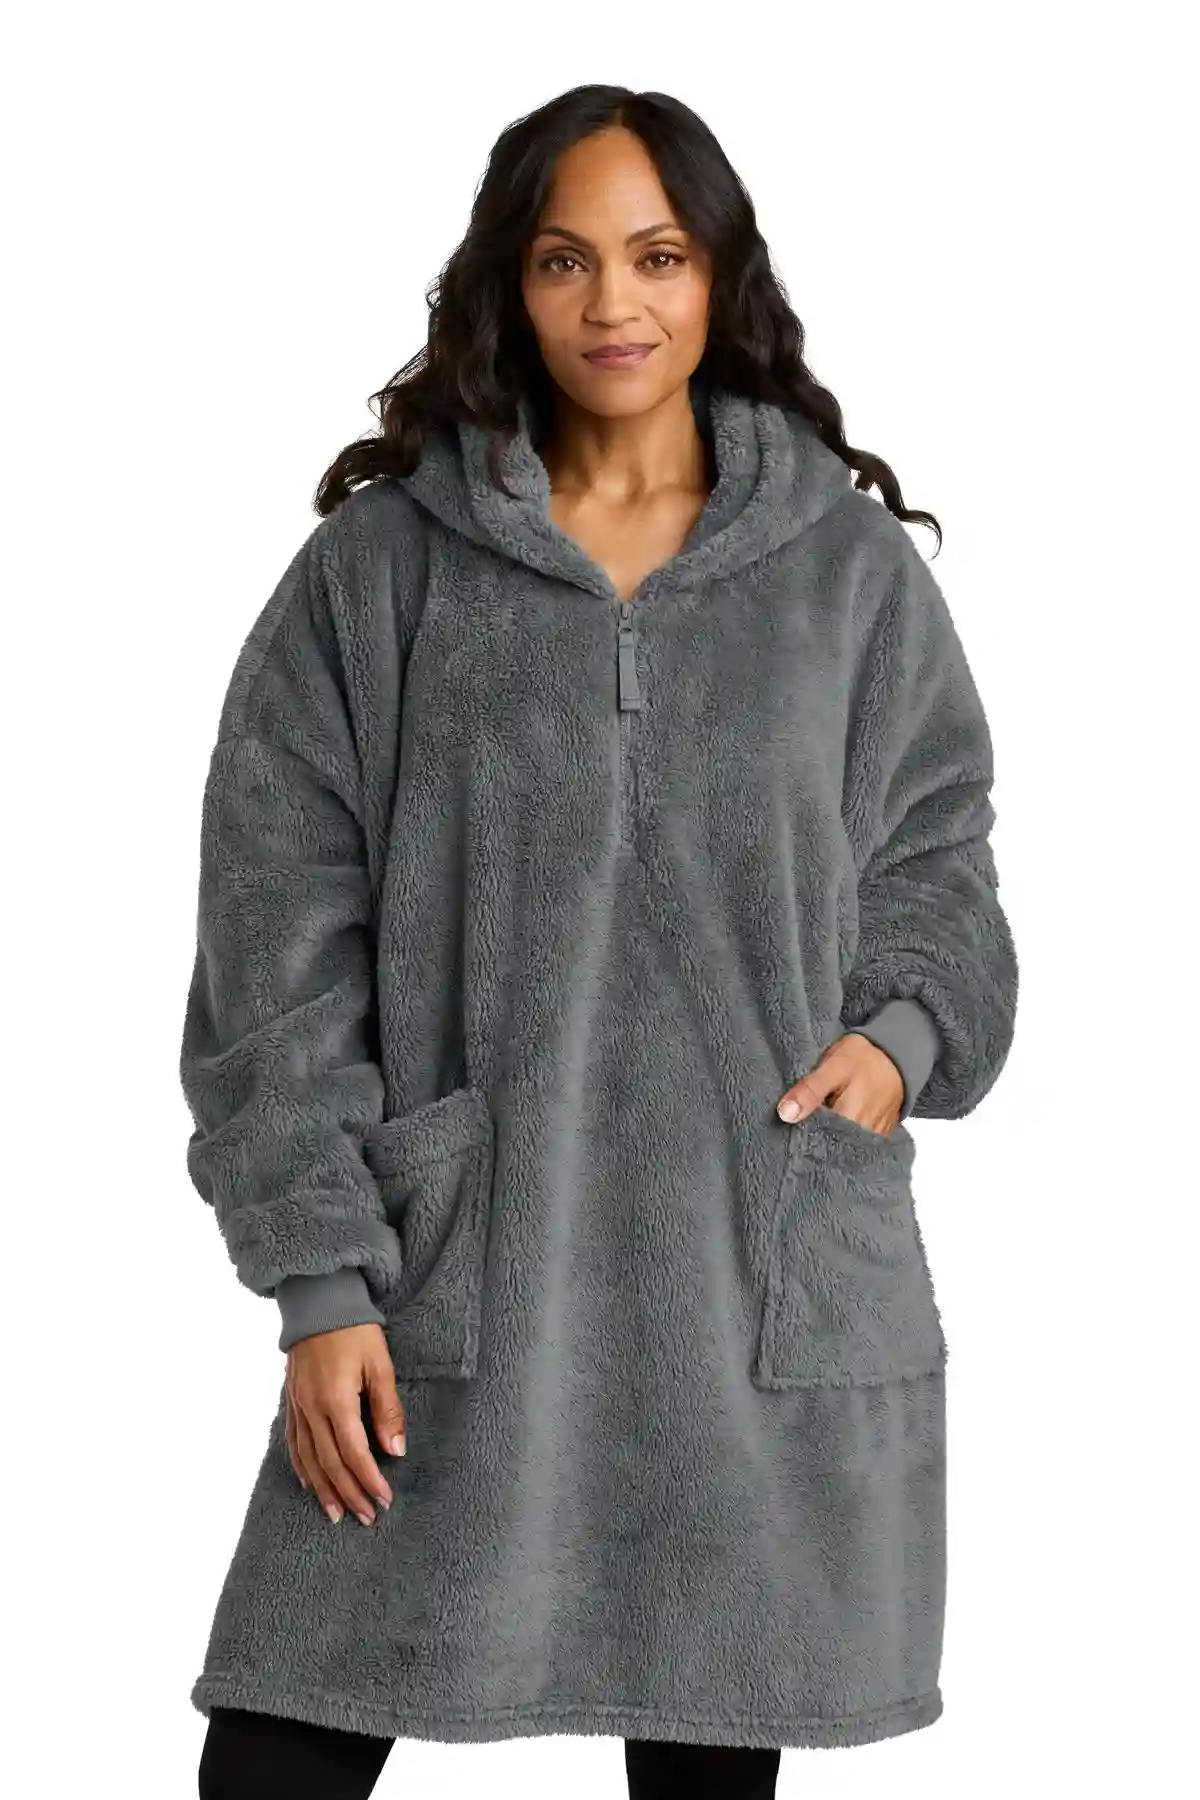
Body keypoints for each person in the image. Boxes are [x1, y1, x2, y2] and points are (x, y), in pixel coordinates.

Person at [183, 82, 1018, 1800]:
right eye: (566, 260)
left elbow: (941, 858)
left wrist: (904, 1039)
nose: (614, 304)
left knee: (706, 1757)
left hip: (752, 1274)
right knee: (273, 1761)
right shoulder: (385, 572)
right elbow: (274, 940)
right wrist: (320, 1280)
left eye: (659, 256)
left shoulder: (847, 575)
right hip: (451, 1281)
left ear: (721, 276)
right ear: (511, 280)